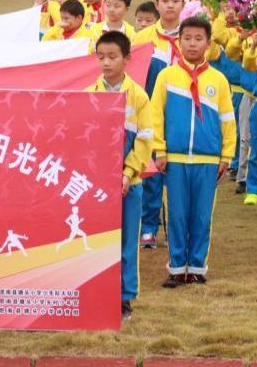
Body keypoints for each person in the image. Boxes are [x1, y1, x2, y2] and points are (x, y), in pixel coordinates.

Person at [149, 15, 235, 287]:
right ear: (179, 41)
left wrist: (226, 155)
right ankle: (176, 268)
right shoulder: (166, 77)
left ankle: (196, 266)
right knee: (176, 214)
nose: (193, 44)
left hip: (207, 160)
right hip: (174, 159)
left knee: (201, 215)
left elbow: (227, 119)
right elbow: (155, 116)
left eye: (199, 39)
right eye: (187, 39)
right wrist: (159, 150)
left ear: (209, 44)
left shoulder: (218, 80)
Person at [87, 31, 152, 320]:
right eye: (101, 57)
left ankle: (124, 298)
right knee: (96, 241)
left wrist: (127, 174)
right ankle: (95, 293)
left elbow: (145, 140)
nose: (106, 63)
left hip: (130, 185)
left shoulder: (138, 96)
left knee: (127, 242)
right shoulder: (90, 93)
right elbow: (85, 140)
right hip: (96, 185)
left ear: (127, 59)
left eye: (112, 57)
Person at [133, 0, 186, 248]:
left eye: (175, 1)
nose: (170, 5)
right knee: (151, 171)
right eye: (165, 1)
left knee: (178, 174)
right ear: (157, 4)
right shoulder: (142, 39)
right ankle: (149, 227)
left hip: (182, 115)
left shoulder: (190, 37)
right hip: (151, 115)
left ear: (183, 4)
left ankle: (178, 229)